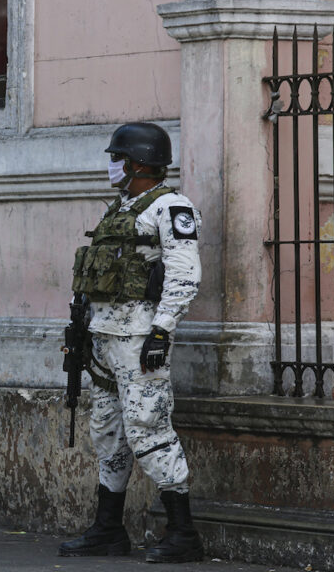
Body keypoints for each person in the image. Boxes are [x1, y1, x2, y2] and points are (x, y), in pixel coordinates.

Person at [60, 122, 203, 563]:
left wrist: (162, 331)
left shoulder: (170, 206)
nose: (112, 165)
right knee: (108, 433)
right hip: (103, 338)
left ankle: (183, 533)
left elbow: (184, 276)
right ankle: (108, 529)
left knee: (149, 430)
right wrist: (79, 328)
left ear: (139, 162)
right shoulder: (121, 208)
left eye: (117, 158)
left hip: (139, 340)